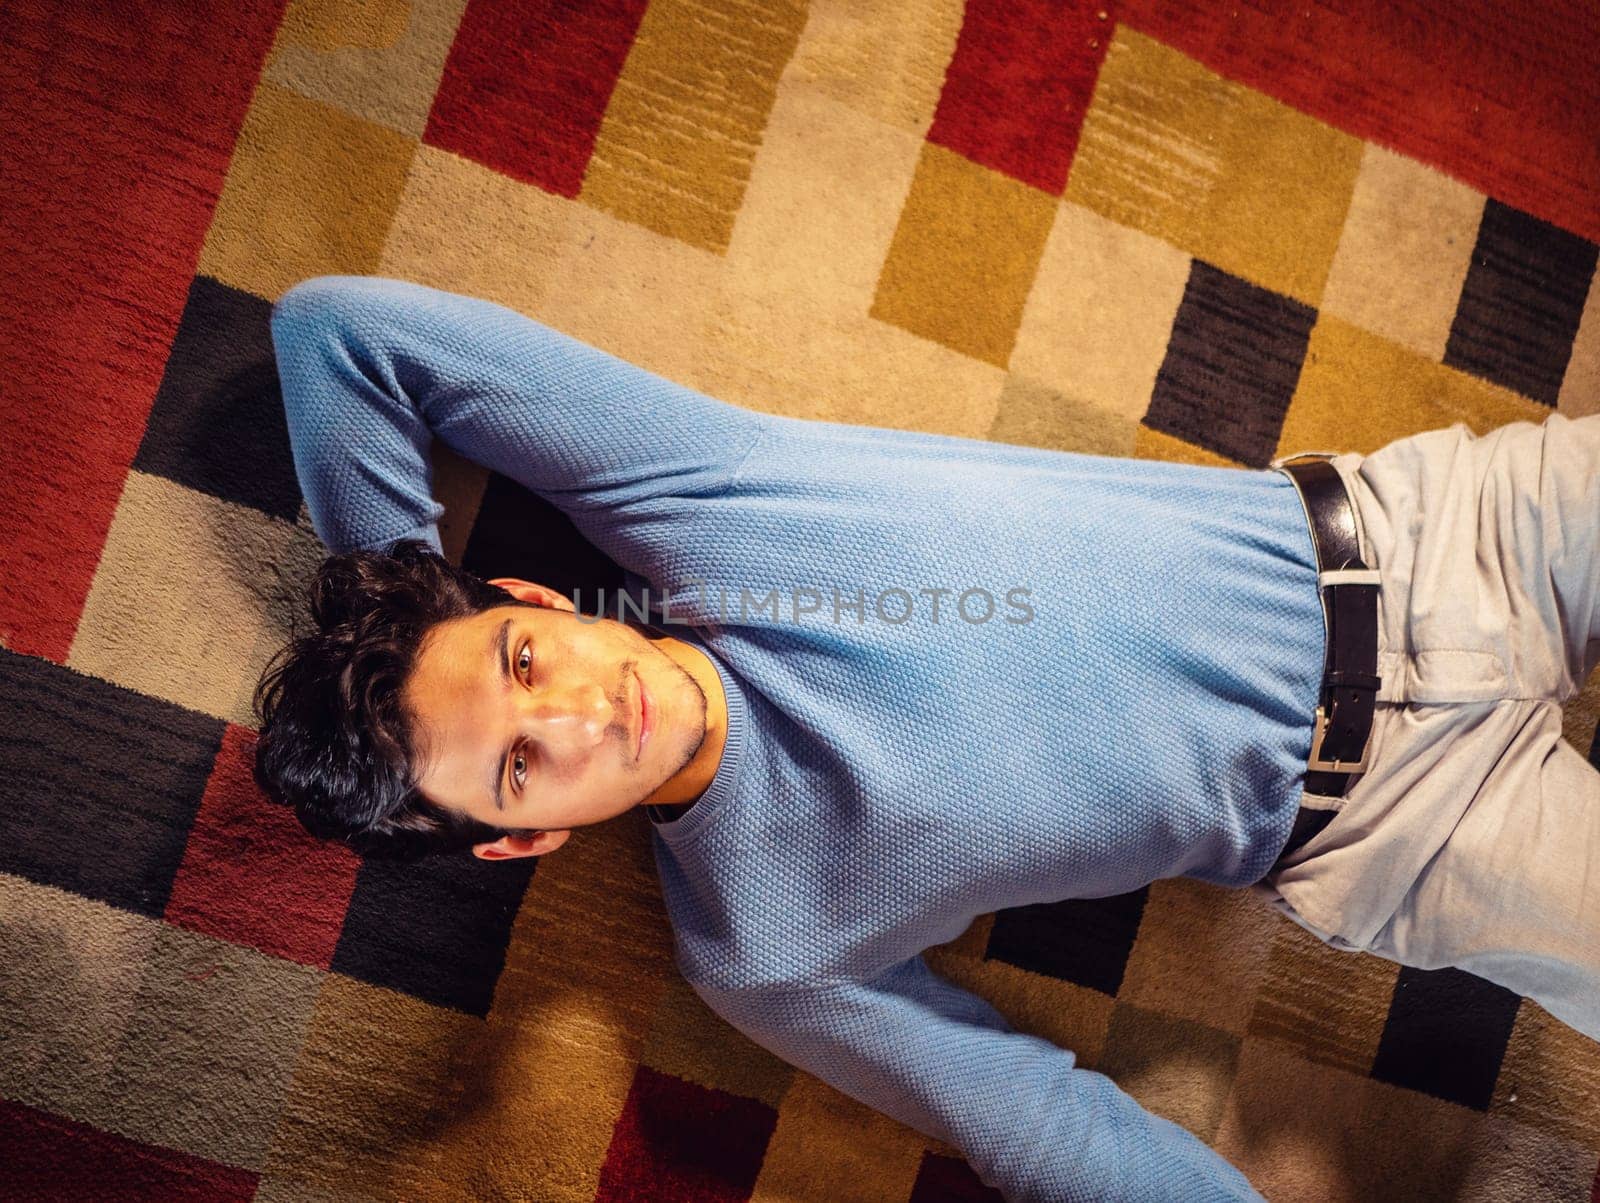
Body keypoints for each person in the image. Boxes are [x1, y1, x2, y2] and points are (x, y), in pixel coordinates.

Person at [252, 274, 1599, 1203]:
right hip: (1408, 827)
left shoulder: (704, 496)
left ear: (538, 603)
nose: (579, 710)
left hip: (1454, 532)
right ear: (527, 837)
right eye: (517, 764)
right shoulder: (760, 949)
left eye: (523, 660)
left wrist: (396, 611)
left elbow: (337, 333)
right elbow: (1038, 1123)